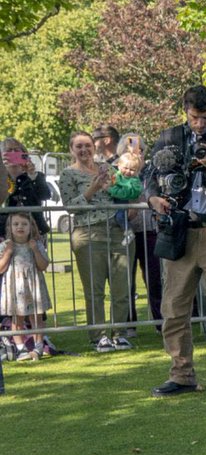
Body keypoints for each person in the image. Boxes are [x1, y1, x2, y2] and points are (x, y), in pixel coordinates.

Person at [144, 85, 206, 398]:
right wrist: (153, 198)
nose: (200, 123)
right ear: (185, 111)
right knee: (174, 309)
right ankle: (181, 374)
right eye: (194, 117)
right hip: (179, 230)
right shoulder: (169, 137)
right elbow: (147, 176)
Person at [58, 131, 132, 352]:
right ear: (72, 150)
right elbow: (70, 206)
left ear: (94, 147)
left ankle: (119, 333)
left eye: (87, 145)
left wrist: (128, 201)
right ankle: (99, 336)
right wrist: (93, 188)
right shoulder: (68, 174)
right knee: (95, 290)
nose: (84, 150)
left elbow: (121, 191)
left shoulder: (107, 168)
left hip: (117, 231)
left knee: (121, 287)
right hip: (88, 233)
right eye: (79, 146)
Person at [116, 133, 162, 330]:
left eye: (140, 149)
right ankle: (129, 324)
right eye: (132, 149)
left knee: (154, 278)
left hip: (149, 230)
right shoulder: (117, 171)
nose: (137, 153)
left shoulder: (152, 171)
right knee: (126, 279)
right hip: (126, 231)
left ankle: (160, 321)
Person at [0, 212, 51, 361]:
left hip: (33, 286)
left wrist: (35, 250)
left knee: (36, 316)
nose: (20, 227)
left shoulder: (36, 244)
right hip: (14, 287)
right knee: (17, 318)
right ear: (9, 227)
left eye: (24, 224)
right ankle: (20, 348)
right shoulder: (5, 245)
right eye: (16, 224)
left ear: (31, 227)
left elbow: (43, 265)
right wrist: (8, 253)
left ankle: (38, 346)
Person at [3, 139, 51, 235]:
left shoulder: (36, 176)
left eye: (16, 150)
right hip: (5, 232)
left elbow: (45, 195)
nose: (13, 153)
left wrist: (32, 174)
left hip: (34, 231)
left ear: (23, 154)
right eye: (9, 150)